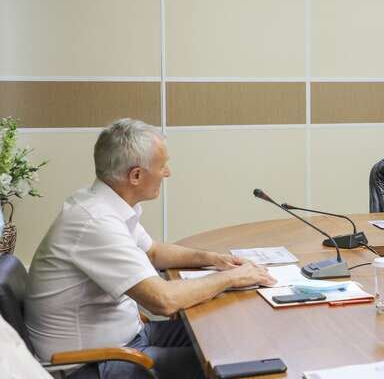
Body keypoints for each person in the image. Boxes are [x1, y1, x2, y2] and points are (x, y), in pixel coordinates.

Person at [24, 119, 275, 379]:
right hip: (91, 365)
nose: (168, 173)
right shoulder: (95, 222)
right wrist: (231, 278)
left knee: (230, 332)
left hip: (126, 339)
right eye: (162, 166)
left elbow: (153, 252)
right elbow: (163, 301)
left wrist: (212, 259)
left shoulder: (101, 203)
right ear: (136, 175)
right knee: (233, 361)